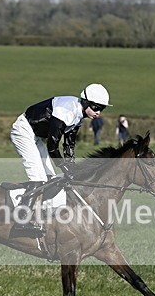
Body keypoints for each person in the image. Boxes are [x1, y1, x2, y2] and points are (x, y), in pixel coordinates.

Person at [9, 83, 111, 236]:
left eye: (101, 109)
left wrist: (72, 169)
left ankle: (42, 213)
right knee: (38, 177)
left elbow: (69, 145)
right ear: (85, 102)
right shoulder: (66, 110)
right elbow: (53, 145)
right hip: (23, 130)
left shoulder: (79, 116)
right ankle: (21, 221)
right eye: (96, 107)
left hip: (35, 136)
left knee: (50, 178)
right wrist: (64, 168)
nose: (98, 113)